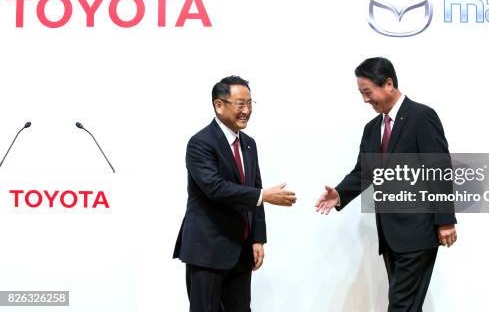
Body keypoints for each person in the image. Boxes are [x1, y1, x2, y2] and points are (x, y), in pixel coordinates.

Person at [315, 57, 457, 312]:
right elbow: (363, 171)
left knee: (401, 306)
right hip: (390, 235)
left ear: (389, 84)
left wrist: (445, 220)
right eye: (361, 93)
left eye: (367, 92)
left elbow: (439, 169)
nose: (365, 100)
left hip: (418, 230)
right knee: (408, 306)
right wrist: (339, 194)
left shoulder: (421, 116)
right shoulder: (372, 128)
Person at [174, 75, 297, 312]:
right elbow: (215, 187)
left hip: (240, 250)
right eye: (240, 104)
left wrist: (258, 238)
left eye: (250, 103)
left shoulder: (249, 144)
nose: (247, 111)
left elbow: (255, 187)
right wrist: (263, 195)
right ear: (219, 105)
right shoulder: (200, 143)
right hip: (207, 251)